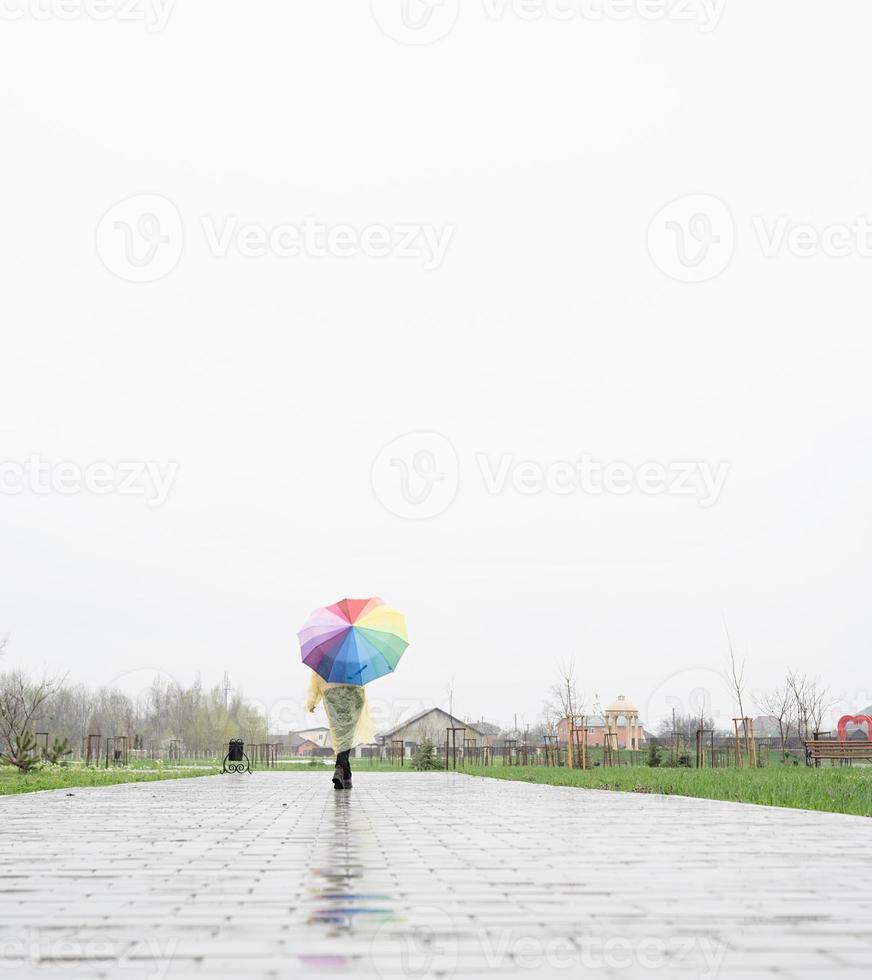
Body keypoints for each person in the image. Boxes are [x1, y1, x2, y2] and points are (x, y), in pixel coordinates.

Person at [306, 672, 374, 789]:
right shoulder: (353, 658)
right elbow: (360, 684)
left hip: (331, 694)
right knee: (347, 735)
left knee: (340, 734)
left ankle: (346, 776)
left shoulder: (325, 657)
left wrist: (312, 702)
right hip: (352, 693)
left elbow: (315, 679)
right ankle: (340, 768)